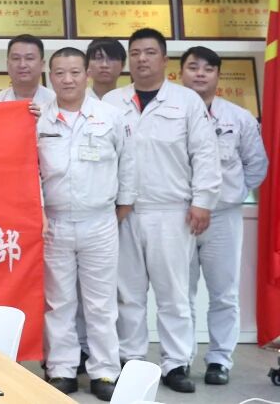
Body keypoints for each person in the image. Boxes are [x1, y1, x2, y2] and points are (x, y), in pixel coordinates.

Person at [101, 28, 219, 394]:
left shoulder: (186, 101)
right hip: (123, 212)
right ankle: (132, 359)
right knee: (128, 293)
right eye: (135, 52)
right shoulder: (112, 101)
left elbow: (205, 153)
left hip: (171, 211)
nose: (142, 59)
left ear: (165, 60)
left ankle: (176, 363)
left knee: (174, 293)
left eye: (150, 52)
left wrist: (202, 201)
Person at [37, 47, 134, 401]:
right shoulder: (38, 120)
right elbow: (29, 171)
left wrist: (119, 210)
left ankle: (105, 371)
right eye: (60, 73)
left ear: (87, 74)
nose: (68, 80)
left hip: (100, 222)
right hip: (54, 223)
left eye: (75, 72)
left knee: (100, 303)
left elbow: (128, 165)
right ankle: (61, 369)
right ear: (50, 76)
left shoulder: (110, 117)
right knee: (58, 301)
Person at [180, 46, 268, 386]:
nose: (200, 74)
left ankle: (219, 359)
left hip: (223, 217)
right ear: (180, 73)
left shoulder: (238, 117)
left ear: (218, 75)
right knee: (180, 294)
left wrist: (231, 194)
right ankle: (180, 359)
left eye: (208, 69)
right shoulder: (170, 115)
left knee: (224, 293)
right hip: (180, 216)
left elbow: (256, 164)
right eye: (193, 67)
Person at [0, 34, 55, 108]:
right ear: (7, 64)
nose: (22, 65)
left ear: (42, 65)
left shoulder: (57, 102)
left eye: (29, 58)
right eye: (16, 58)